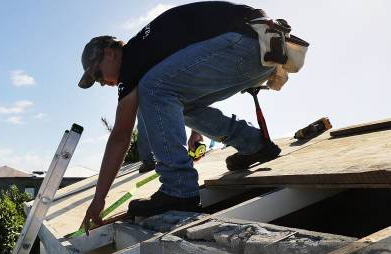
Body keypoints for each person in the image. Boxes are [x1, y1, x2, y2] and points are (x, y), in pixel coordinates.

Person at [78, 2, 281, 228]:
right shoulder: (147, 50)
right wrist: (197, 131)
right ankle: (253, 143)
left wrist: (98, 199)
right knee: (175, 99)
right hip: (261, 50)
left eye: (97, 75)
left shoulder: (133, 59)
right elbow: (194, 58)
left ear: (109, 53)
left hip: (246, 43)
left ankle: (178, 188)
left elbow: (120, 135)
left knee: (152, 88)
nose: (102, 83)